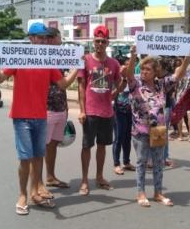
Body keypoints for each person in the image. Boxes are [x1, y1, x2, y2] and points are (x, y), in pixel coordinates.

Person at [0, 22, 78, 215]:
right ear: (31, 39)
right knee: (25, 159)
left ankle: (35, 192)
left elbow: (62, 84)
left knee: (38, 157)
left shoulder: (48, 61)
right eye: (40, 37)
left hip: (41, 117)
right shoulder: (19, 57)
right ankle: (22, 195)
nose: (44, 40)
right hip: (21, 117)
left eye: (46, 37)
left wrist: (77, 67)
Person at [126, 46, 190, 207]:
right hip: (140, 131)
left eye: (148, 69)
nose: (145, 72)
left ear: (155, 72)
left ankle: (158, 193)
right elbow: (128, 74)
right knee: (141, 162)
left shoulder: (161, 84)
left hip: (158, 131)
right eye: (143, 69)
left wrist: (188, 57)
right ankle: (140, 193)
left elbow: (178, 75)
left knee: (158, 162)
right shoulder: (136, 84)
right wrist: (133, 56)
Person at [77, 25, 126, 195]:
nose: (99, 44)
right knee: (86, 146)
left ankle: (99, 176)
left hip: (107, 112)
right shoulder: (85, 60)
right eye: (97, 41)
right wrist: (82, 110)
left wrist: (124, 79)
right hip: (90, 112)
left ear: (107, 42)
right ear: (93, 41)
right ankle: (84, 180)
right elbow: (81, 87)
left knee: (102, 146)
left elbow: (119, 87)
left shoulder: (114, 63)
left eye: (103, 41)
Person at [43, 27, 73, 189]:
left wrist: (66, 106)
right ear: (52, 38)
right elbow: (64, 82)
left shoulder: (59, 57)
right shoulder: (43, 58)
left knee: (53, 144)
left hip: (60, 106)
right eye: (60, 37)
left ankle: (50, 176)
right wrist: (77, 67)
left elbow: (62, 87)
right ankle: (38, 183)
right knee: (43, 146)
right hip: (47, 108)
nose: (61, 40)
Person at [112, 57, 136, 175]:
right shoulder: (115, 79)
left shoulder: (132, 79)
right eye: (126, 65)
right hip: (118, 112)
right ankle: (116, 164)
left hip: (130, 112)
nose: (128, 68)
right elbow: (112, 94)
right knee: (118, 138)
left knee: (128, 138)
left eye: (130, 65)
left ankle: (126, 162)